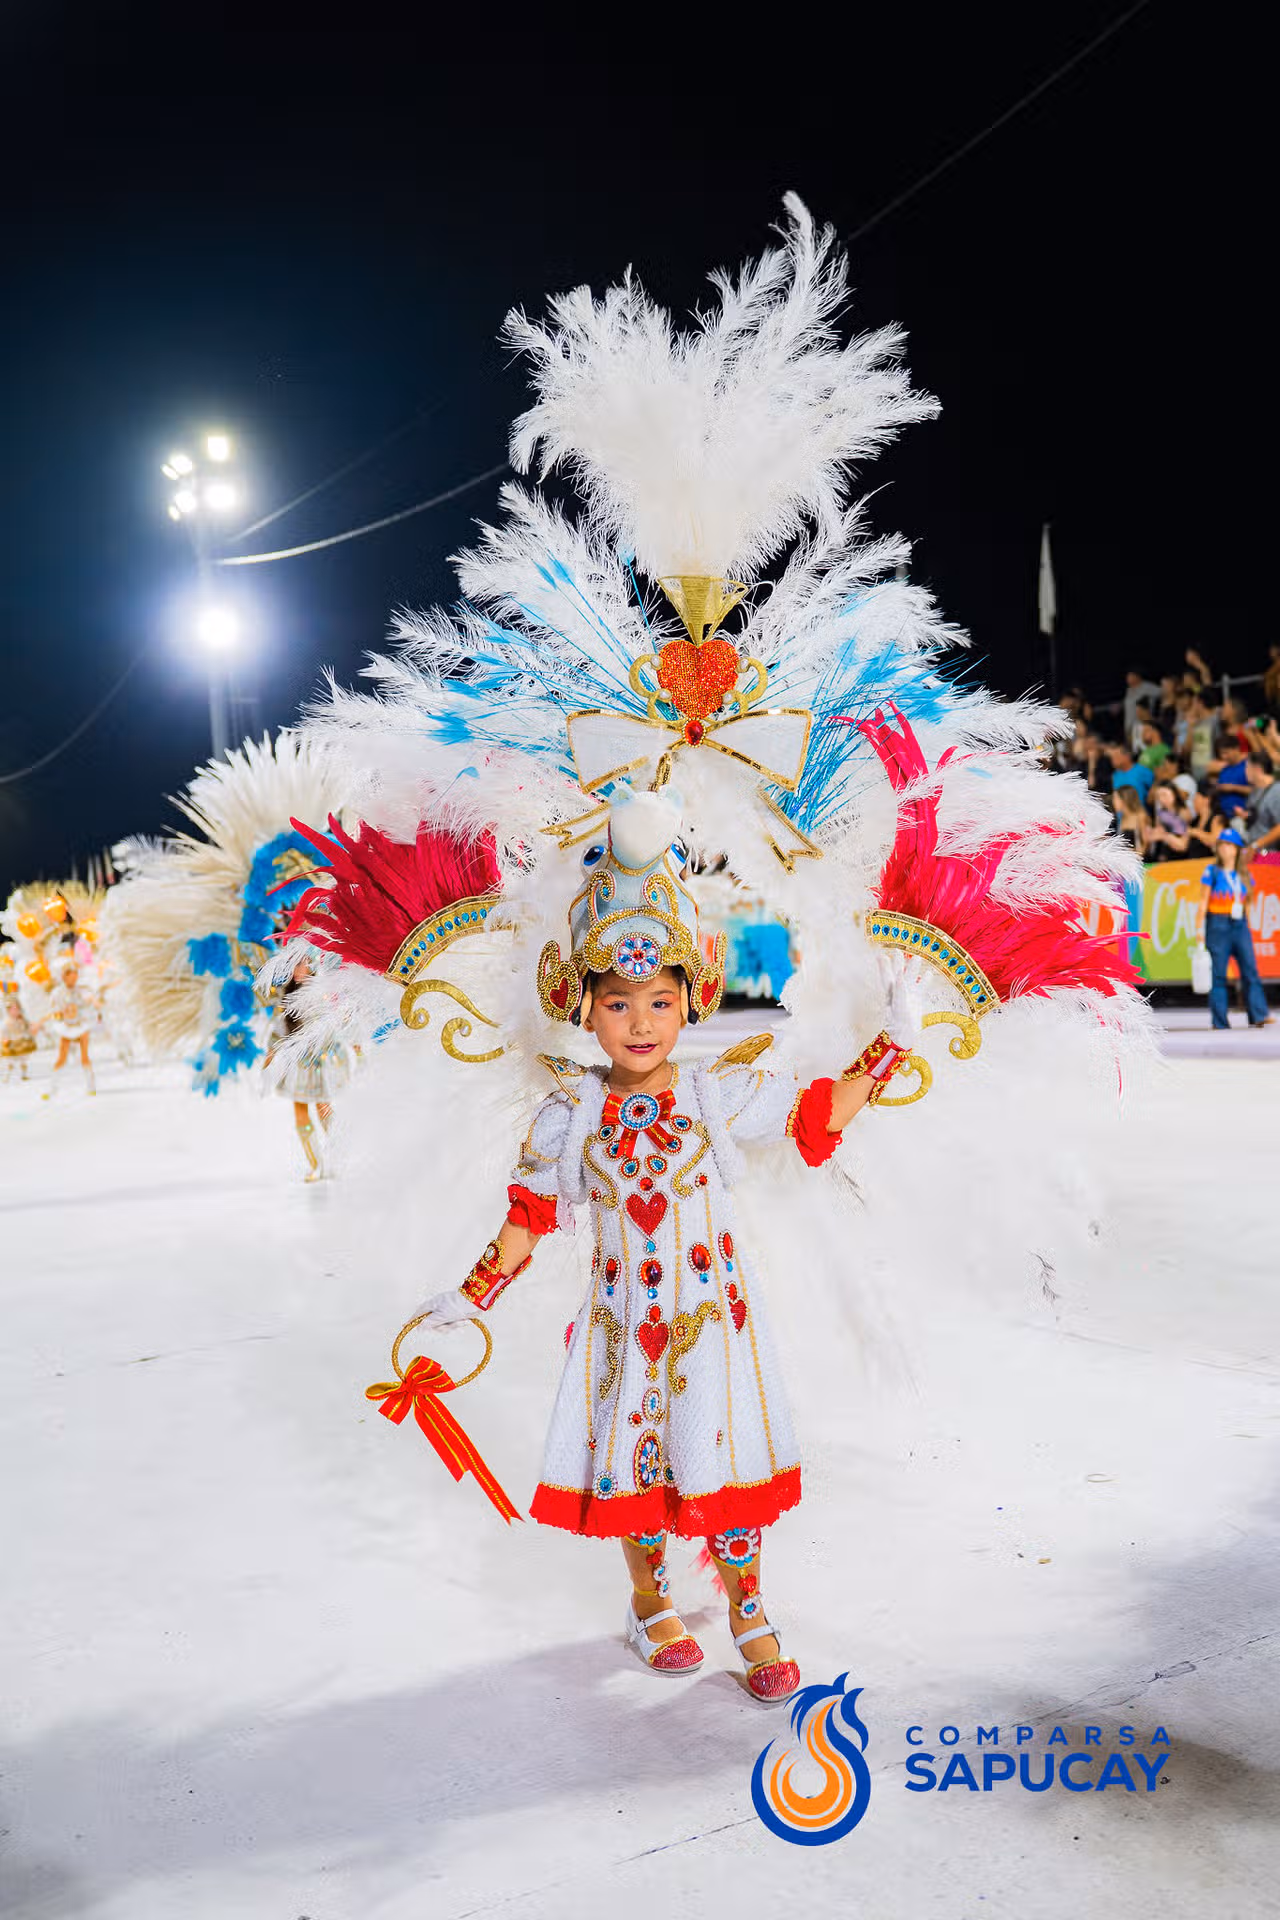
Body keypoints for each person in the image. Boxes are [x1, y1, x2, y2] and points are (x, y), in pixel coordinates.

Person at [265, 954, 351, 1180]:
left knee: (323, 1106)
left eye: (301, 963)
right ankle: (315, 1164)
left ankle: (336, 1158)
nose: (297, 969)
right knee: (300, 1110)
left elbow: (331, 1023)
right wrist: (271, 1052)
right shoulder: (288, 993)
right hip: (300, 1063)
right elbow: (280, 1027)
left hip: (319, 1059)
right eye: (293, 965)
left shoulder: (320, 991)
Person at [1198, 830, 1272, 1029]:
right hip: (1217, 924)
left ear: (1237, 849)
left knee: (1250, 970)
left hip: (1239, 925)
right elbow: (1203, 902)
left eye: (1229, 844)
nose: (1224, 848)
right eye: (1222, 844)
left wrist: (1245, 919)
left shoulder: (1244, 874)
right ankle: (1220, 1021)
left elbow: (1249, 900)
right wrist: (1199, 930)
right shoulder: (1212, 871)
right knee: (1218, 975)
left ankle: (1258, 1015)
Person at [39, 956, 95, 1096]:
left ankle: (91, 1085)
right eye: (71, 975)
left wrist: (91, 1002)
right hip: (66, 1026)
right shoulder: (58, 993)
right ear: (64, 977)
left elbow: (89, 1003)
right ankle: (53, 1087)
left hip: (81, 1025)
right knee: (61, 1058)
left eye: (76, 975)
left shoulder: (82, 990)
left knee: (84, 1056)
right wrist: (59, 1015)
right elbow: (53, 1010)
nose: (74, 978)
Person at [1243, 750, 1280, 851]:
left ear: (1257, 769)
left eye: (1247, 767)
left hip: (1271, 854)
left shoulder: (1277, 791)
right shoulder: (1256, 790)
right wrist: (1246, 815)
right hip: (1254, 851)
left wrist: (1256, 845)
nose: (1245, 771)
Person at [1, 992, 37, 1081]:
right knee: (10, 1061)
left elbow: (27, 1028)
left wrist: (31, 1028)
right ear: (8, 1010)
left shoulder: (22, 1020)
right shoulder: (7, 1022)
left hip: (22, 1042)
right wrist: (5, 1040)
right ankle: (7, 1075)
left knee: (23, 1059)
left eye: (17, 1009)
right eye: (12, 1009)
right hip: (12, 1043)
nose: (15, 1011)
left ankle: (24, 1074)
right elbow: (3, 1032)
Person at [1107, 742, 1154, 806]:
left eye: (1116, 756)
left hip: (1139, 810)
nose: (1113, 759)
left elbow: (1154, 787)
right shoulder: (1115, 775)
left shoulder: (1142, 771)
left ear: (1127, 756)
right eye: (1112, 757)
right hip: (1121, 811)